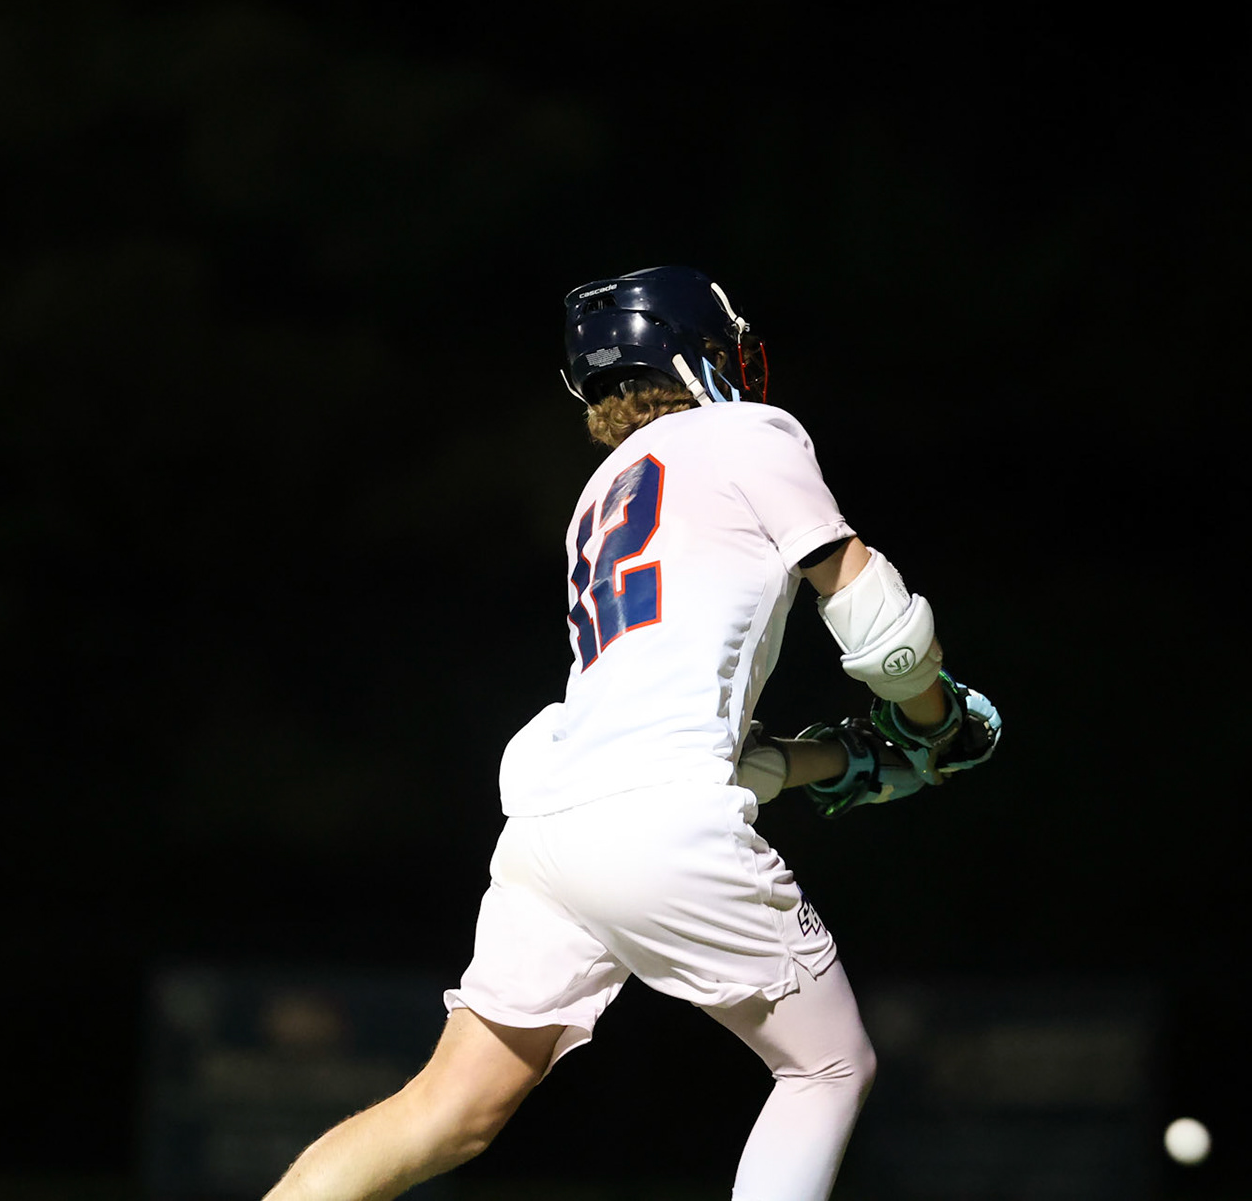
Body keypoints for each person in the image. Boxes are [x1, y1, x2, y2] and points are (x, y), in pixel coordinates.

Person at [265, 267, 1002, 1201]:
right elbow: (886, 638)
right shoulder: (749, 432)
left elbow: (693, 745)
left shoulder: (602, 492)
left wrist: (845, 757)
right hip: (661, 823)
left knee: (451, 1107)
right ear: (702, 353)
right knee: (828, 1067)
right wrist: (938, 722)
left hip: (551, 825)